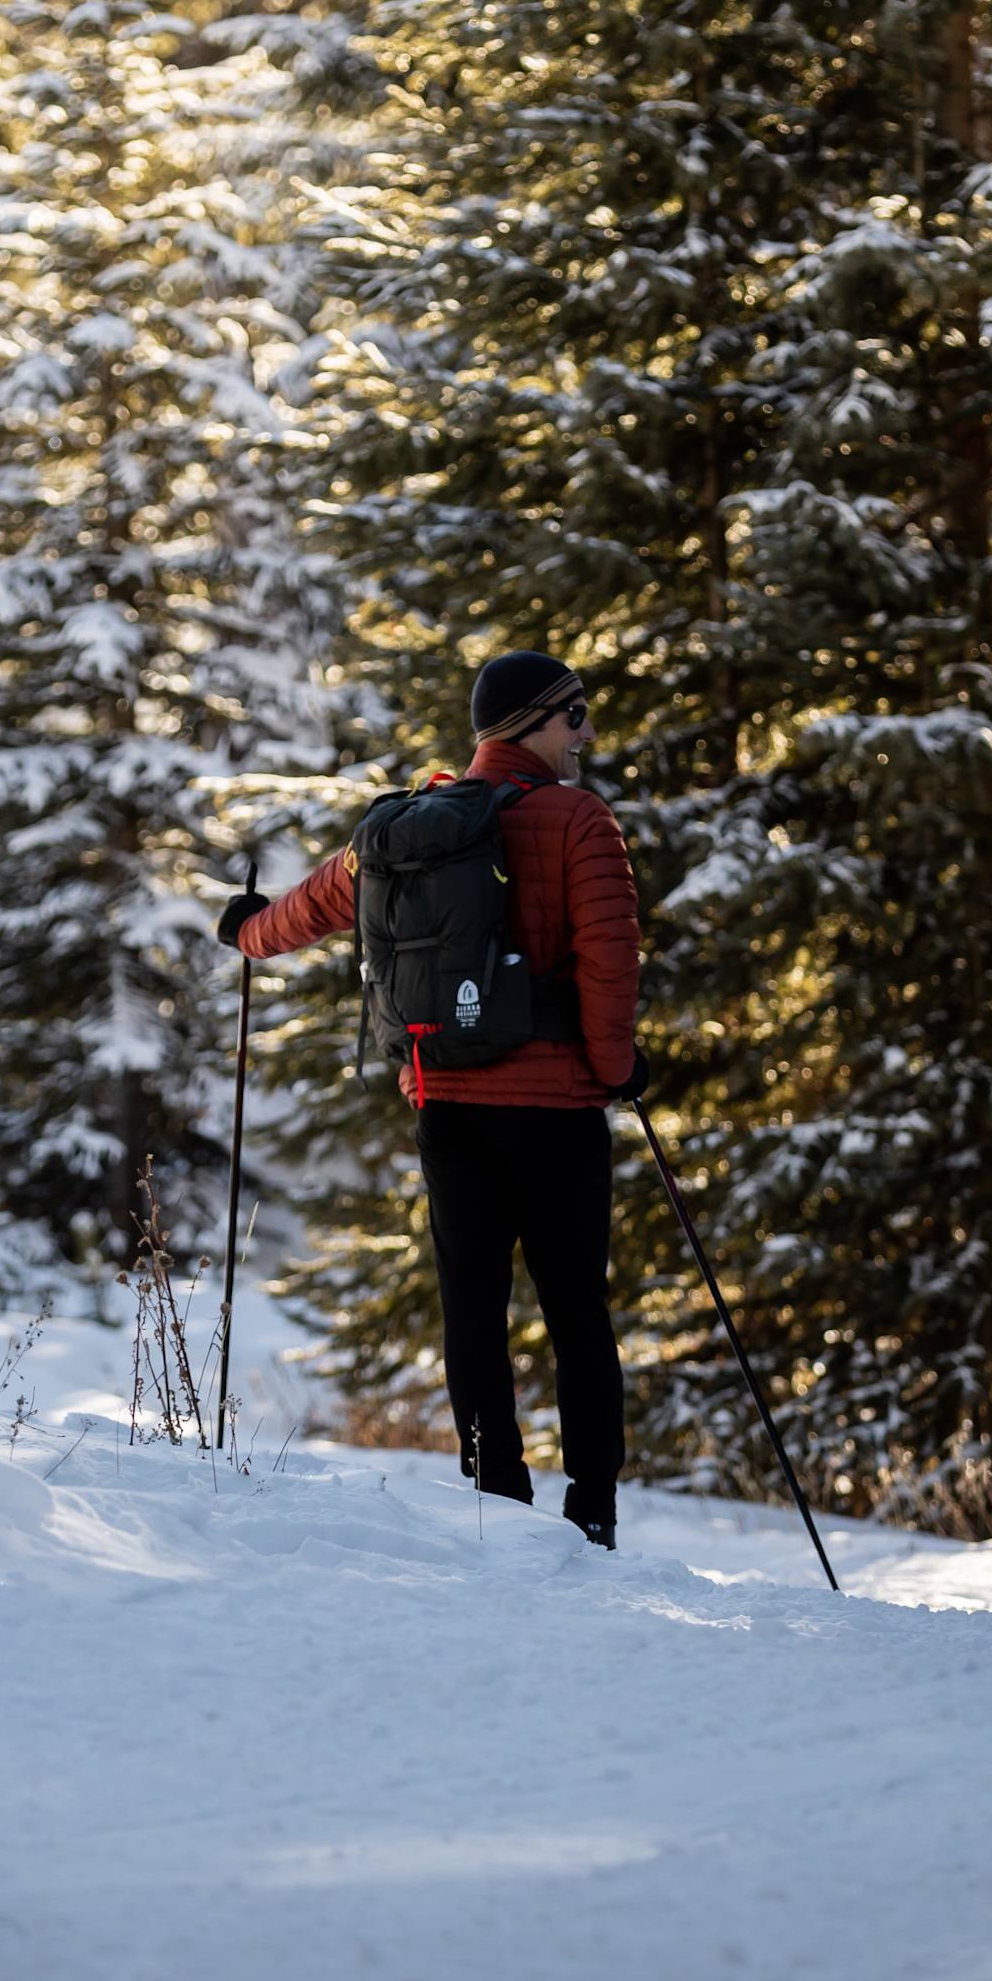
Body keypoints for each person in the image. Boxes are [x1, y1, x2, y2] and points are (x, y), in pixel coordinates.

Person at [221, 651, 644, 1547]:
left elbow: (317, 903)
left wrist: (248, 933)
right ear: (532, 723)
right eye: (575, 716)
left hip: (448, 1101)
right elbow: (611, 965)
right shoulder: (579, 821)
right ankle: (593, 1515)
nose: (587, 733)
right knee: (575, 1309)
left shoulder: (416, 823)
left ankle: (495, 1506)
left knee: (473, 1303)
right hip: (558, 1111)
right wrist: (616, 1070)